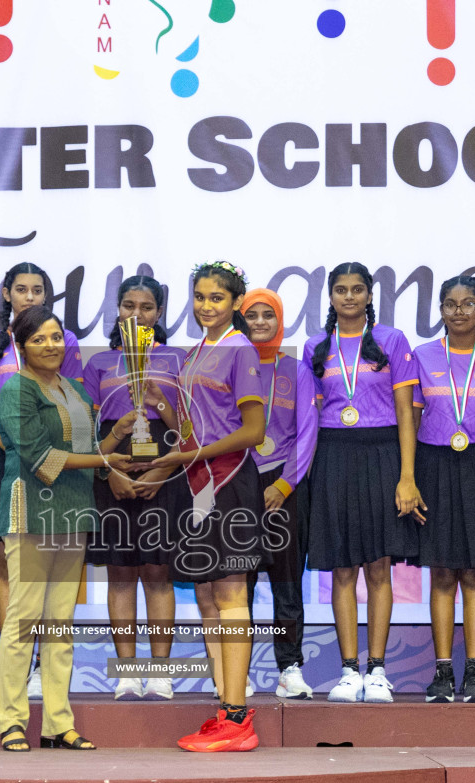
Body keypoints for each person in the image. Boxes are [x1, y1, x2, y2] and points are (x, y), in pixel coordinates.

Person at [0, 306, 135, 751]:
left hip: (73, 513)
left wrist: (117, 436)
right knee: (24, 619)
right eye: (40, 339)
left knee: (60, 624)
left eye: (56, 338)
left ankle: (57, 722)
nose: (50, 346)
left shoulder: (73, 388)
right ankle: (11, 720)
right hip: (29, 513)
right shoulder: (15, 390)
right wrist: (106, 460)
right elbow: (41, 459)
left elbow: (86, 448)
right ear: (22, 344)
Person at [147, 261, 268, 751]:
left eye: (216, 298)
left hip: (232, 482)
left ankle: (238, 718)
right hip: (199, 484)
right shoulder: (197, 351)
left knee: (232, 596)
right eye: (199, 297)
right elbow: (195, 426)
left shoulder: (241, 350)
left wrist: (188, 454)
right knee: (214, 599)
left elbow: (253, 431)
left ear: (236, 303)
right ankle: (226, 709)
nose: (205, 306)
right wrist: (161, 405)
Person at [305, 262, 419, 705]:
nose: (349, 297)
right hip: (333, 456)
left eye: (357, 290)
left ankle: (377, 670)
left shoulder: (392, 341)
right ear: (330, 297)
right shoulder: (316, 346)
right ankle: (348, 670)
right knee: (342, 568)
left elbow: (407, 413)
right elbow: (310, 418)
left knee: (378, 567)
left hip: (382, 455)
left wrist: (407, 476)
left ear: (370, 295)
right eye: (340, 290)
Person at [0, 263, 82, 698]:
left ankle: (43, 666)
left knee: (49, 570)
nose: (29, 297)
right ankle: (15, 660)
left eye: (38, 290)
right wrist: (18, 449)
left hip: (52, 462)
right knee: (10, 567)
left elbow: (67, 403)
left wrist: (38, 453)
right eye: (21, 290)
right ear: (6, 295)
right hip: (5, 459)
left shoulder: (64, 342)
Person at [408, 276, 475, 703]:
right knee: (440, 573)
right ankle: (441, 672)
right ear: (440, 311)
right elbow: (411, 423)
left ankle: (474, 671)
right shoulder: (422, 357)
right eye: (449, 304)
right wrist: (409, 477)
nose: (458, 311)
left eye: (467, 303)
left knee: (473, 572)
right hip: (432, 465)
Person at [82, 275, 187, 699]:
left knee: (158, 575)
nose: (136, 314)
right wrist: (109, 471)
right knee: (121, 575)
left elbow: (191, 427)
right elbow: (86, 432)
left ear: (158, 314)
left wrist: (163, 469)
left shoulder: (178, 359)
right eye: (128, 305)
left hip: (164, 466)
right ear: (118, 309)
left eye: (146, 307)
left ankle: (159, 672)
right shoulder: (99, 364)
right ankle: (127, 672)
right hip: (113, 470)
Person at [239, 287, 318, 699]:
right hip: (238, 485)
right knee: (240, 585)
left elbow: (306, 433)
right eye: (251, 315)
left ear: (280, 320)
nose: (259, 323)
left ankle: (290, 668)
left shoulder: (297, 370)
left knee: (288, 583)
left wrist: (285, 485)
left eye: (267, 315)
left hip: (285, 488)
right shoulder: (232, 366)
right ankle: (239, 673)